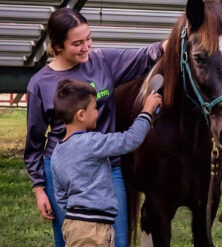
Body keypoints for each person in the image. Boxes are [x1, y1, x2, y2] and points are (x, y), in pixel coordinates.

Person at [24, 7, 167, 247]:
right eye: (77, 43)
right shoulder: (39, 84)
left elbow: (146, 55)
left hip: (108, 166)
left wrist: (175, 39)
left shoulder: (103, 61)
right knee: (72, 239)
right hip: (63, 170)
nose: (86, 47)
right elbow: (35, 141)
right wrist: (40, 188)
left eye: (88, 38)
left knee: (117, 240)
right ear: (58, 46)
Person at [51, 79, 161, 247]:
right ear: (81, 115)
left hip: (74, 225)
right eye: (94, 108)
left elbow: (60, 194)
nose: (97, 112)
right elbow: (129, 140)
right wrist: (147, 111)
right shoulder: (91, 143)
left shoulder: (57, 151)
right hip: (93, 228)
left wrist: (77, 214)